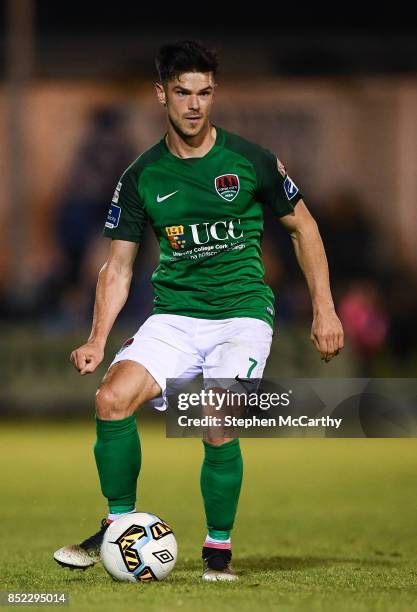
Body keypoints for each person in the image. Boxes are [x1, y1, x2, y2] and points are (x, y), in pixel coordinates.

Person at [53, 40, 344, 581]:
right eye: (183, 92)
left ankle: (217, 550)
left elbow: (305, 227)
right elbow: (117, 267)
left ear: (214, 94)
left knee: (213, 416)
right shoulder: (142, 176)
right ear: (161, 94)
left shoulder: (251, 160)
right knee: (112, 399)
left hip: (241, 316)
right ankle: (117, 527)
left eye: (204, 93)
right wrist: (97, 339)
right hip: (175, 317)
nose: (194, 105)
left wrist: (325, 310)